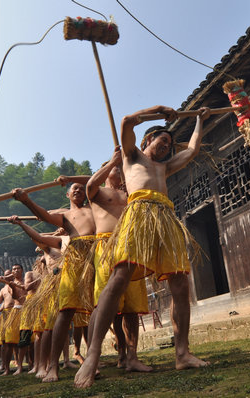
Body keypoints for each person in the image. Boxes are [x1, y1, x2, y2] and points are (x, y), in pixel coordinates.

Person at [75, 105, 210, 388]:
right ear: (148, 140)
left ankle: (182, 353)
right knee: (120, 277)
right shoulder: (131, 156)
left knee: (180, 283)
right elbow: (127, 121)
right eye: (162, 141)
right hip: (138, 215)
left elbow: (193, 149)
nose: (166, 147)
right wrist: (157, 111)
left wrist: (199, 119)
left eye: (169, 145)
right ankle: (93, 355)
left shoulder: (165, 166)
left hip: (165, 217)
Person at [13, 176, 96, 383]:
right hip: (74, 265)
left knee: (96, 311)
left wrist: (71, 179)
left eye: (82, 188)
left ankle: (91, 362)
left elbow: (100, 179)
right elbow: (42, 222)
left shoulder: (96, 208)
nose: (78, 190)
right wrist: (26, 201)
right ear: (67, 194)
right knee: (65, 312)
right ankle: (51, 366)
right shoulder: (63, 225)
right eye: (74, 189)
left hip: (97, 257)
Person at [86, 147, 151, 372]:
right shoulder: (98, 192)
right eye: (116, 169)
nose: (120, 172)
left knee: (131, 307)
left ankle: (131, 356)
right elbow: (90, 186)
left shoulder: (130, 193)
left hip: (130, 247)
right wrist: (112, 161)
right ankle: (92, 358)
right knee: (105, 303)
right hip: (106, 246)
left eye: (121, 169)